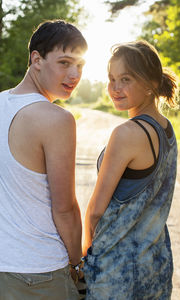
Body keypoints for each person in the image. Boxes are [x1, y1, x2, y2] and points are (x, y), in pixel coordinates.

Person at [83, 40, 180, 299]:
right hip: (156, 267)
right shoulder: (166, 128)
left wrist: (83, 260)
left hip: (116, 275)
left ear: (150, 83)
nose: (115, 88)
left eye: (125, 79)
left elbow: (95, 212)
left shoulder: (126, 134)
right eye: (111, 78)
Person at [0, 20, 87, 300]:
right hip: (40, 272)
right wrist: (77, 264)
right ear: (36, 59)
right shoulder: (56, 119)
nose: (74, 74)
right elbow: (65, 209)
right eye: (64, 62)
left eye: (80, 65)